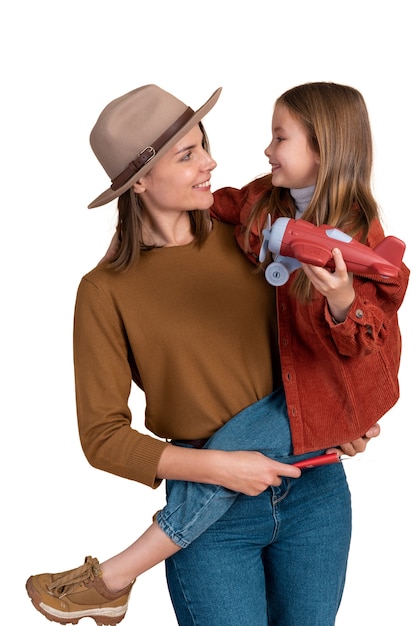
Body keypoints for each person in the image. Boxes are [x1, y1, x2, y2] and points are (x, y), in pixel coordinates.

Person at [25, 82, 405, 626]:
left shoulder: (253, 235)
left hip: (315, 492)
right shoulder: (105, 291)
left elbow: (333, 340)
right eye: (188, 154)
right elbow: (103, 438)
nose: (212, 162)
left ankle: (112, 578)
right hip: (210, 517)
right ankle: (115, 579)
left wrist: (345, 411)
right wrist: (217, 466)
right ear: (139, 181)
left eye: (204, 143)